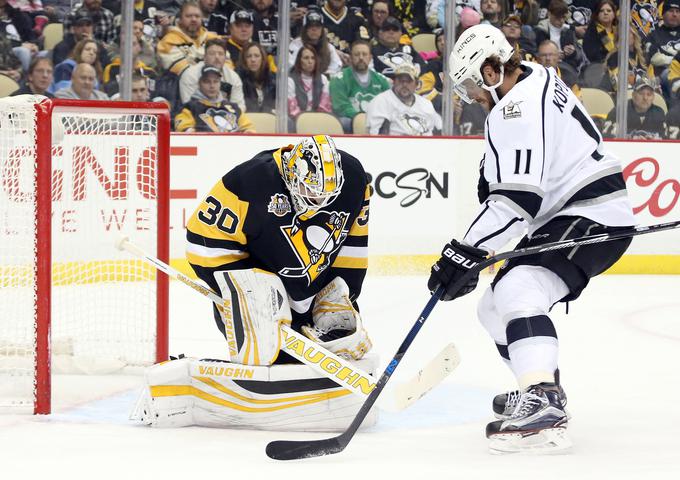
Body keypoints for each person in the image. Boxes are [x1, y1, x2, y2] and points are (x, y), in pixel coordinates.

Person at [434, 24, 635, 453]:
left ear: (491, 70)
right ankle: (534, 383)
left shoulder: (515, 110)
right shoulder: (532, 74)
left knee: (517, 287)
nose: (470, 95)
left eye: (471, 83)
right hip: (570, 213)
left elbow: (517, 200)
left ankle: (544, 399)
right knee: (492, 306)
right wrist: (477, 246)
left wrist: (464, 251)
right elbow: (505, 185)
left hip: (592, 215)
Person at [132, 135, 374, 430]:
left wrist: (341, 292)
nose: (318, 203)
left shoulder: (354, 180)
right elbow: (202, 242)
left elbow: (353, 243)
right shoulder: (247, 183)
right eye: (310, 193)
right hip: (259, 286)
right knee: (263, 353)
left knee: (346, 342)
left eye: (326, 197)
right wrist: (247, 293)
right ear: (292, 173)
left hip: (311, 282)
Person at [366, 60, 442, 135]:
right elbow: (375, 137)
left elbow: (440, 130)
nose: (404, 84)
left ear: (417, 84)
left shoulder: (426, 104)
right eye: (401, 80)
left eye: (409, 81)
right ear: (394, 82)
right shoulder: (380, 102)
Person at [330, 39, 391, 132]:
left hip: (377, 122)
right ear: (350, 57)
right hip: (351, 122)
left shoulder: (382, 80)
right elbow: (341, 107)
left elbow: (389, 105)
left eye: (364, 54)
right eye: (357, 54)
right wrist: (362, 119)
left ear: (370, 57)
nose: (361, 58)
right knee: (343, 122)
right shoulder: (339, 79)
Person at [174, 64, 254, 133]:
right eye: (207, 81)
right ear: (199, 84)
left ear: (220, 84)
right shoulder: (190, 107)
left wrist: (248, 131)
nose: (212, 86)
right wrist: (188, 130)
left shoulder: (234, 107)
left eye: (216, 81)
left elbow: (248, 128)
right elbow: (183, 128)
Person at [179, 38, 245, 110]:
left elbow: (239, 108)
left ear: (225, 58)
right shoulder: (190, 75)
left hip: (227, 117)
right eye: (212, 53)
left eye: (220, 54)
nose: (217, 57)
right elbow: (189, 106)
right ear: (204, 57)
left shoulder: (233, 77)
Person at [156, 0, 219, 76]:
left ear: (202, 19)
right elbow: (182, 71)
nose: (193, 19)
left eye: (197, 16)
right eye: (189, 16)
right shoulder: (168, 41)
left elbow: (228, 64)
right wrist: (210, 62)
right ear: (180, 19)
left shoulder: (213, 38)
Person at [289, 9, 343, 77]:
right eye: (310, 26)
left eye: (317, 26)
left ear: (322, 29)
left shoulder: (329, 48)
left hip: (323, 83)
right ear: (305, 29)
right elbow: (290, 66)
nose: (314, 29)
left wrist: (322, 77)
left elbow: (336, 68)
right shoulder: (296, 44)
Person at [371, 15, 427, 79]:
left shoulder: (409, 49)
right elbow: (370, 72)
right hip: (383, 85)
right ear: (380, 33)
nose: (391, 32)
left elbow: (422, 68)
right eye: (387, 29)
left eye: (395, 29)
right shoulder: (372, 50)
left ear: (400, 33)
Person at [533, 0, 584, 71]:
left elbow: (579, 57)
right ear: (549, 14)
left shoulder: (569, 32)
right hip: (544, 66)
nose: (561, 20)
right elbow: (534, 52)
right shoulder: (540, 31)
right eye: (558, 17)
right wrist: (553, 56)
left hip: (566, 66)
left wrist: (573, 53)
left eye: (563, 17)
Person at [287, 45, 333, 120]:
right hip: (297, 121)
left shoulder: (323, 79)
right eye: (306, 58)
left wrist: (315, 121)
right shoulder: (290, 80)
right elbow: (292, 109)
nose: (310, 61)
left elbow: (325, 107)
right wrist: (305, 121)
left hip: (319, 120)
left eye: (313, 58)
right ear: (299, 60)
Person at [236, 41, 277, 113]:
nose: (253, 60)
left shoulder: (274, 79)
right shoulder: (237, 79)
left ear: (263, 58)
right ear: (244, 60)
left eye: (257, 56)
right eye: (249, 56)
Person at [582, 0, 617, 64]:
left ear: (614, 14)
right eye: (601, 11)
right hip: (599, 68)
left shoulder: (619, 31)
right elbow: (592, 55)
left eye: (609, 11)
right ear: (597, 15)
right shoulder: (592, 32)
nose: (605, 13)